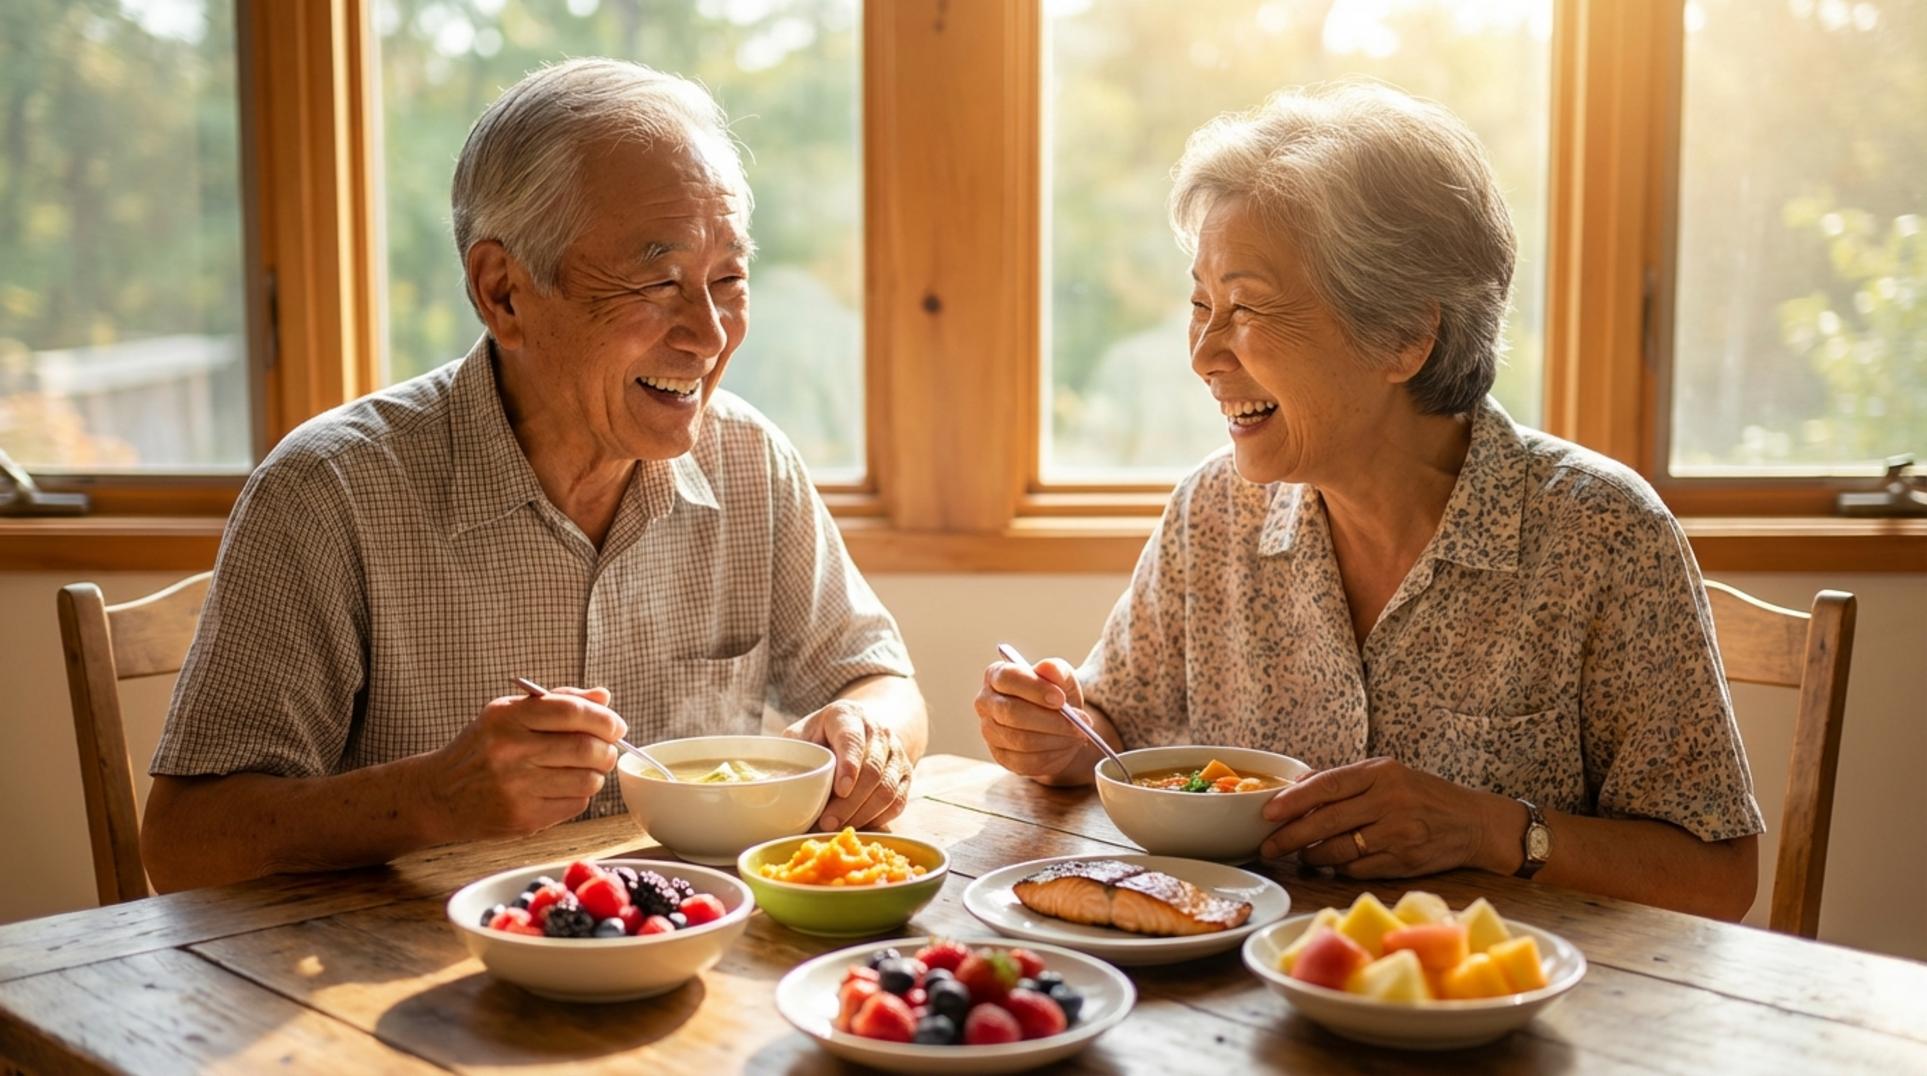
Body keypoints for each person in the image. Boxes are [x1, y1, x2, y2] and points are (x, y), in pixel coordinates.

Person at [975, 82, 1762, 919]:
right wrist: (1058, 735)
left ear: (1403, 337)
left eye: (1245, 307)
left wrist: (1492, 830)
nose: (1203, 355)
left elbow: (1715, 878)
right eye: (1200, 304)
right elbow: (1114, 728)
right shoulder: (1211, 513)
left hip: (1498, 1014)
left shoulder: (1600, 533)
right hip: (1243, 1005)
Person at [142, 59, 926, 891]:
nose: (708, 333)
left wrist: (866, 730)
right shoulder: (327, 490)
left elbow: (876, 680)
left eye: (727, 279)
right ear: (503, 291)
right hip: (400, 984)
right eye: (658, 281)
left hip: (685, 952)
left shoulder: (749, 461)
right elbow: (183, 845)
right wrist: (432, 799)